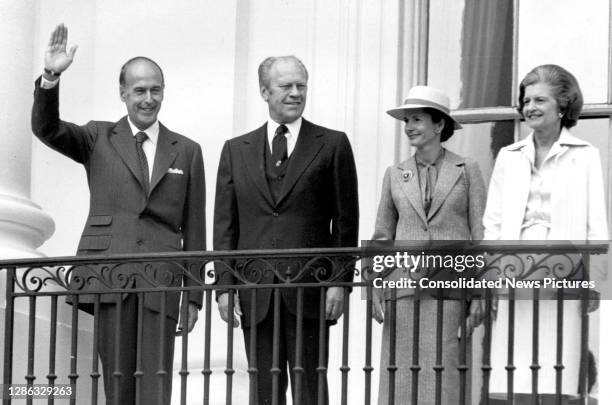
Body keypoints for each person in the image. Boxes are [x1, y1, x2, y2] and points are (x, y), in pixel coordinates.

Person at [31, 24, 205, 404]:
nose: (148, 99)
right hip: (109, 276)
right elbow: (47, 129)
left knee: (155, 389)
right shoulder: (97, 137)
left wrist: (192, 299)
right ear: (123, 93)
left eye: (155, 90)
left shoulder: (187, 150)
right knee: (117, 386)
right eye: (139, 90)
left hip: (161, 280)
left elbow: (195, 227)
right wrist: (51, 77)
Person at [213, 55, 359, 405]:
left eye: (301, 86)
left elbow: (345, 221)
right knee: (264, 392)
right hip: (255, 289)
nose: (295, 93)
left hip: (311, 290)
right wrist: (224, 287)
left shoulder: (333, 143)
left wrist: (340, 283)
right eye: (286, 86)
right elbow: (225, 225)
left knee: (311, 390)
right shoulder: (235, 150)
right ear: (264, 91)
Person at [483, 64, 608, 400]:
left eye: (540, 99)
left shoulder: (585, 156)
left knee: (558, 370)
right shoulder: (509, 157)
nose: (530, 107)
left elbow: (596, 224)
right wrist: (492, 279)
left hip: (563, 273)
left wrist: (592, 283)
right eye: (526, 101)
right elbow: (492, 224)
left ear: (563, 105)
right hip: (515, 271)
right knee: (512, 372)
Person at [372, 85, 486, 404]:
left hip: (448, 289)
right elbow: (382, 235)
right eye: (407, 120)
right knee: (400, 376)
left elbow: (479, 233)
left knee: (442, 374)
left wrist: (479, 291)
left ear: (439, 125)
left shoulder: (467, 170)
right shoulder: (395, 174)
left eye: (417, 119)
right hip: (403, 290)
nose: (409, 126)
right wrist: (376, 284)